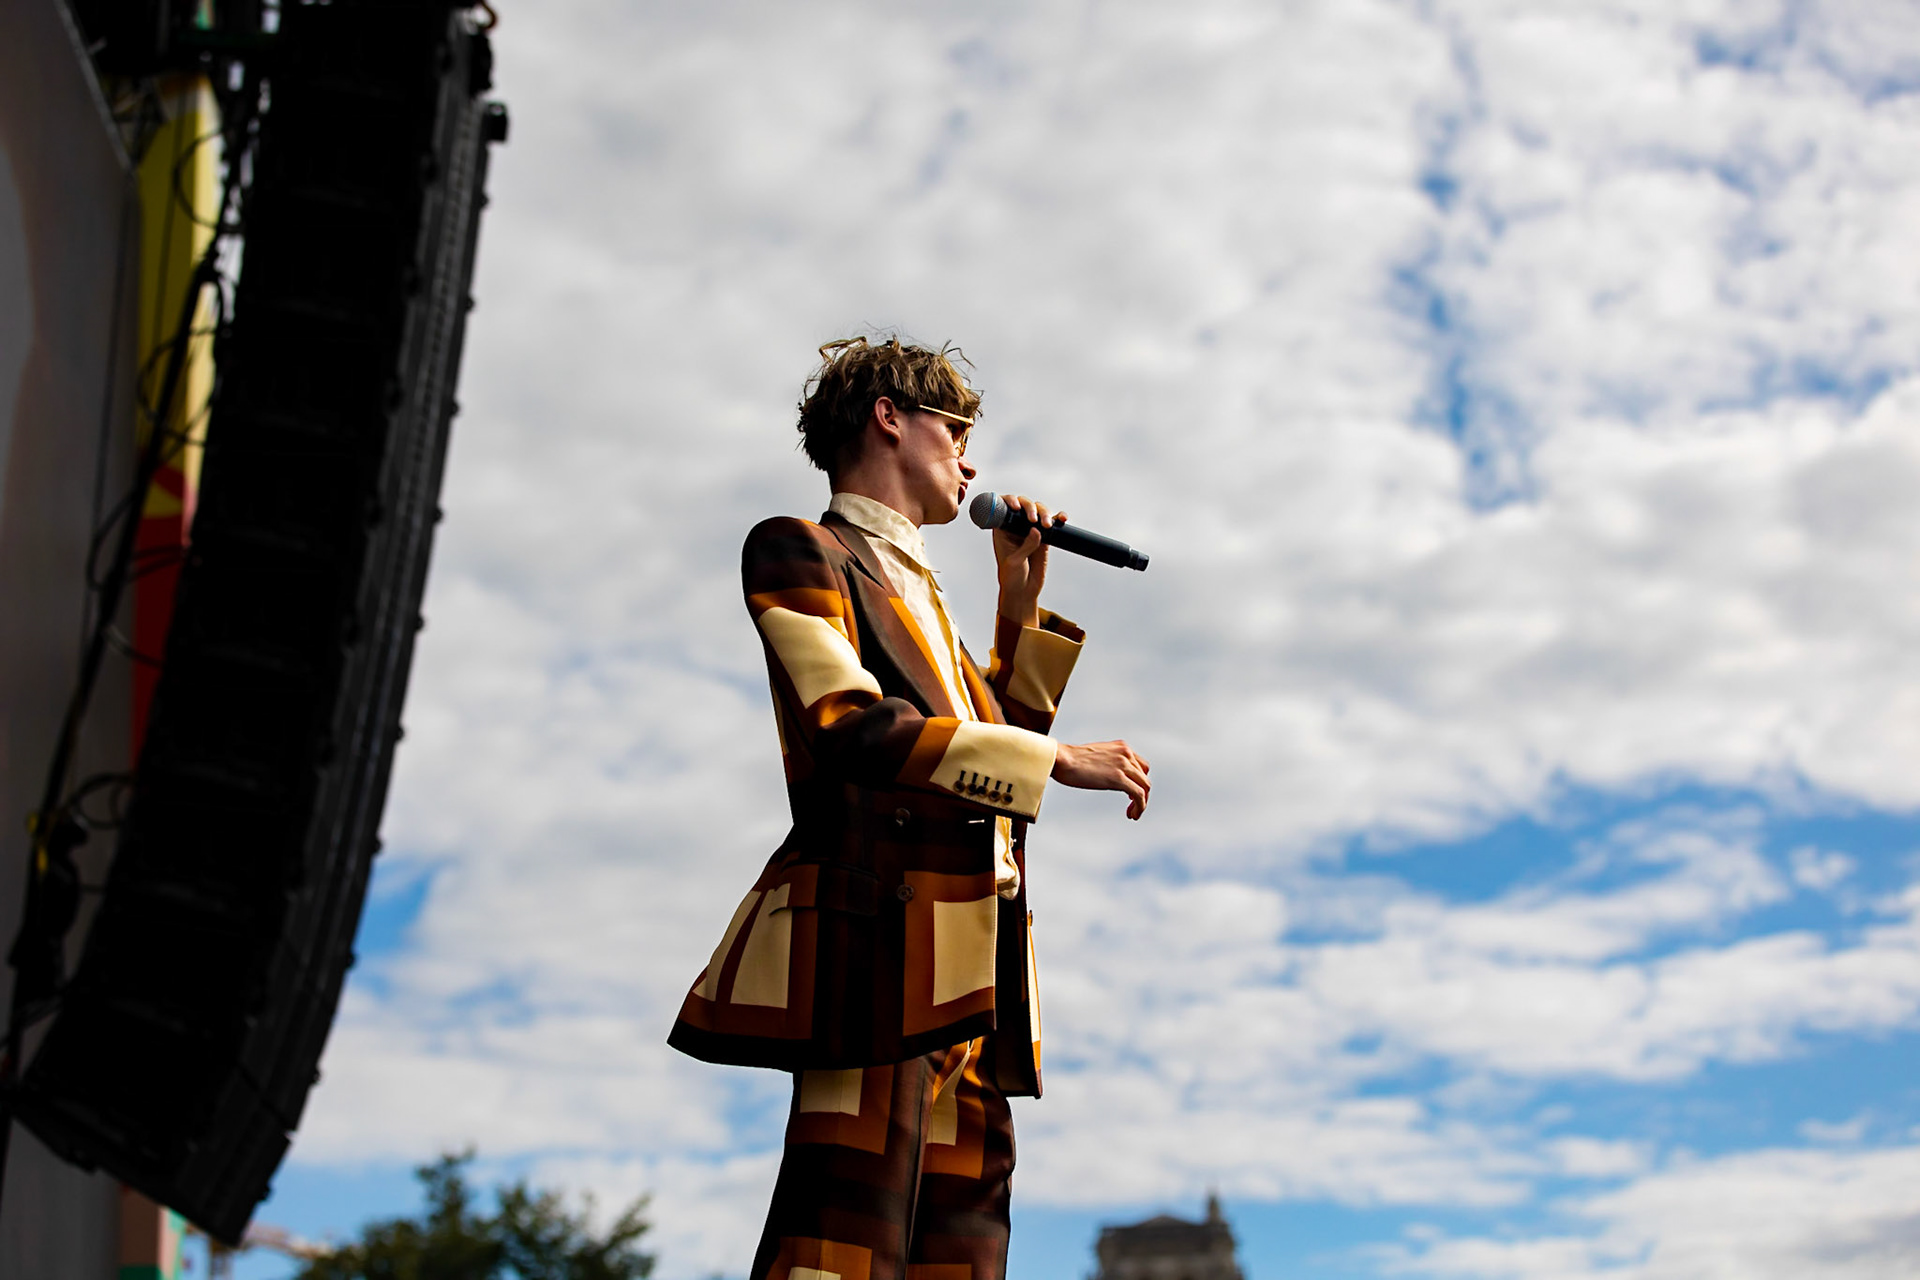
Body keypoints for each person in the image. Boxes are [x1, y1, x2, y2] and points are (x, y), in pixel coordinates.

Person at [669, 336, 1150, 1280]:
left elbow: (983, 756)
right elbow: (848, 724)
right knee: (837, 1254)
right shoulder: (800, 549)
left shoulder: (931, 600)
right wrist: (1056, 761)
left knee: (958, 1256)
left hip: (974, 974)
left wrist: (1018, 603)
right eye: (957, 429)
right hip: (875, 957)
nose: (971, 461)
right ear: (889, 416)